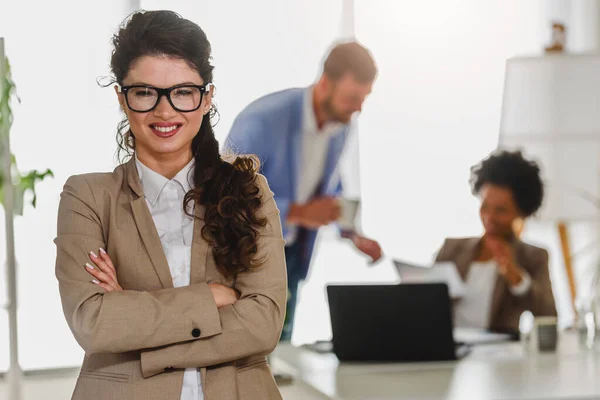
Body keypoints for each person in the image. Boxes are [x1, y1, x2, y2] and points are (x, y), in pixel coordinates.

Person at [54, 10, 287, 400]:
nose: (165, 111)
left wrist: (131, 315)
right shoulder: (87, 197)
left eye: (182, 92)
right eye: (145, 92)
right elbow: (93, 323)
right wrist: (209, 298)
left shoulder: (249, 191)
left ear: (206, 97)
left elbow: (263, 323)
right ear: (121, 97)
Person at [224, 42, 383, 341]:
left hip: (293, 257)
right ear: (325, 83)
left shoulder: (341, 124)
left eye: (364, 99)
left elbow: (330, 187)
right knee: (244, 353)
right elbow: (226, 196)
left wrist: (351, 232)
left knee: (282, 352)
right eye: (352, 97)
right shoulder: (261, 121)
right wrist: (297, 212)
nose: (358, 108)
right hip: (247, 258)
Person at [435, 150, 557, 333]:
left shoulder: (533, 257)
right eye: (484, 207)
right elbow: (425, 302)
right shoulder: (451, 249)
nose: (489, 217)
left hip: (499, 356)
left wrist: (516, 277)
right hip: (448, 350)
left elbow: (548, 317)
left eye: (501, 210)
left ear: (521, 213)